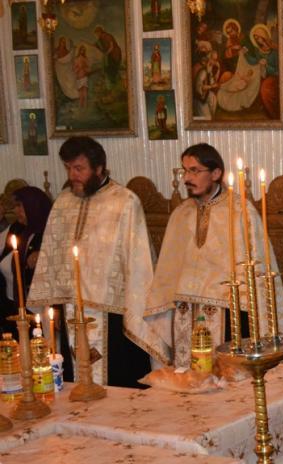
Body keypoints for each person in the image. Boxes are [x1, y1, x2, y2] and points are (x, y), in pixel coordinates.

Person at [28, 137, 170, 388]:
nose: (72, 175)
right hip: (70, 308)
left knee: (117, 382)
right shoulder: (63, 202)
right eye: (68, 168)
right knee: (73, 378)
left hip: (113, 311)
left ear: (99, 168)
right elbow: (53, 258)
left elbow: (139, 262)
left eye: (79, 168)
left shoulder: (125, 202)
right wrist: (52, 302)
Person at [145, 143, 283, 368]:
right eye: (185, 171)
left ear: (215, 173)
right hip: (184, 311)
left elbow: (256, 267)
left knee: (225, 374)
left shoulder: (240, 211)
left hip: (227, 311)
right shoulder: (180, 213)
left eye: (195, 171)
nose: (187, 178)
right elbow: (168, 269)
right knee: (186, 373)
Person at [0, 187, 52, 333]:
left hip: (36, 308)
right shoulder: (17, 229)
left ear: (34, 206)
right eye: (15, 206)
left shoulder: (48, 234)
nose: (16, 211)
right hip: (12, 303)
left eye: (20, 206)